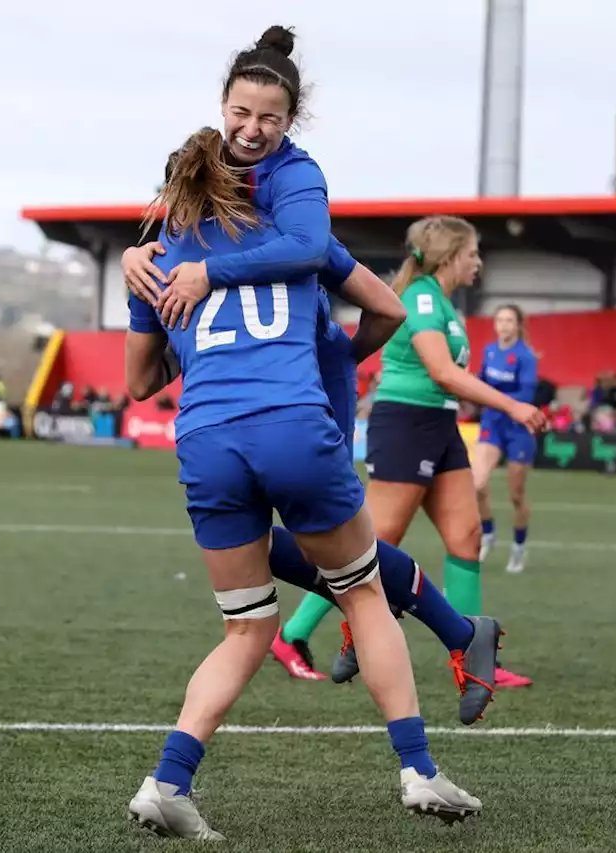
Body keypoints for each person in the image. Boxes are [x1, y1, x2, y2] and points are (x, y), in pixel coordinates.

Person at [120, 26, 480, 840]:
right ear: (225, 122)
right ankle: (419, 768)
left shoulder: (162, 246)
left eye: (266, 117)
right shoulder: (299, 227)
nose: (253, 128)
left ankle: (167, 781)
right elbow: (351, 279)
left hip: (205, 440)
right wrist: (330, 360)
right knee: (360, 593)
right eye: (242, 115)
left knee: (246, 626)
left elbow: (138, 384)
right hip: (289, 424)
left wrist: (142, 280)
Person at [124, 230, 502, 726]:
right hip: (273, 408)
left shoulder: (291, 230)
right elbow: (143, 379)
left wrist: (342, 354)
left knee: (342, 542)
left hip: (309, 397)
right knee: (316, 546)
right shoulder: (179, 251)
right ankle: (448, 630)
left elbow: (386, 310)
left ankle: (425, 635)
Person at [333, 215, 547, 691]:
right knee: (371, 543)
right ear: (451, 256)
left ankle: (474, 654)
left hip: (438, 423)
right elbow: (443, 372)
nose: (479, 262)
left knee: (467, 538)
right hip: (408, 422)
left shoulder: (444, 304)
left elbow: (449, 381)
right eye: (473, 253)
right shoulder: (423, 297)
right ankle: (298, 635)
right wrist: (513, 406)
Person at [472, 304, 538, 574]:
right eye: (500, 320)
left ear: (518, 324)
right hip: (492, 423)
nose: (504, 325)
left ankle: (519, 547)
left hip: (519, 429)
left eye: (509, 320)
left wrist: (496, 399)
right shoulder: (488, 351)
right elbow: (480, 381)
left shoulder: (526, 356)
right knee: (476, 485)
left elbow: (527, 395)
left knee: (516, 495)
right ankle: (488, 533)